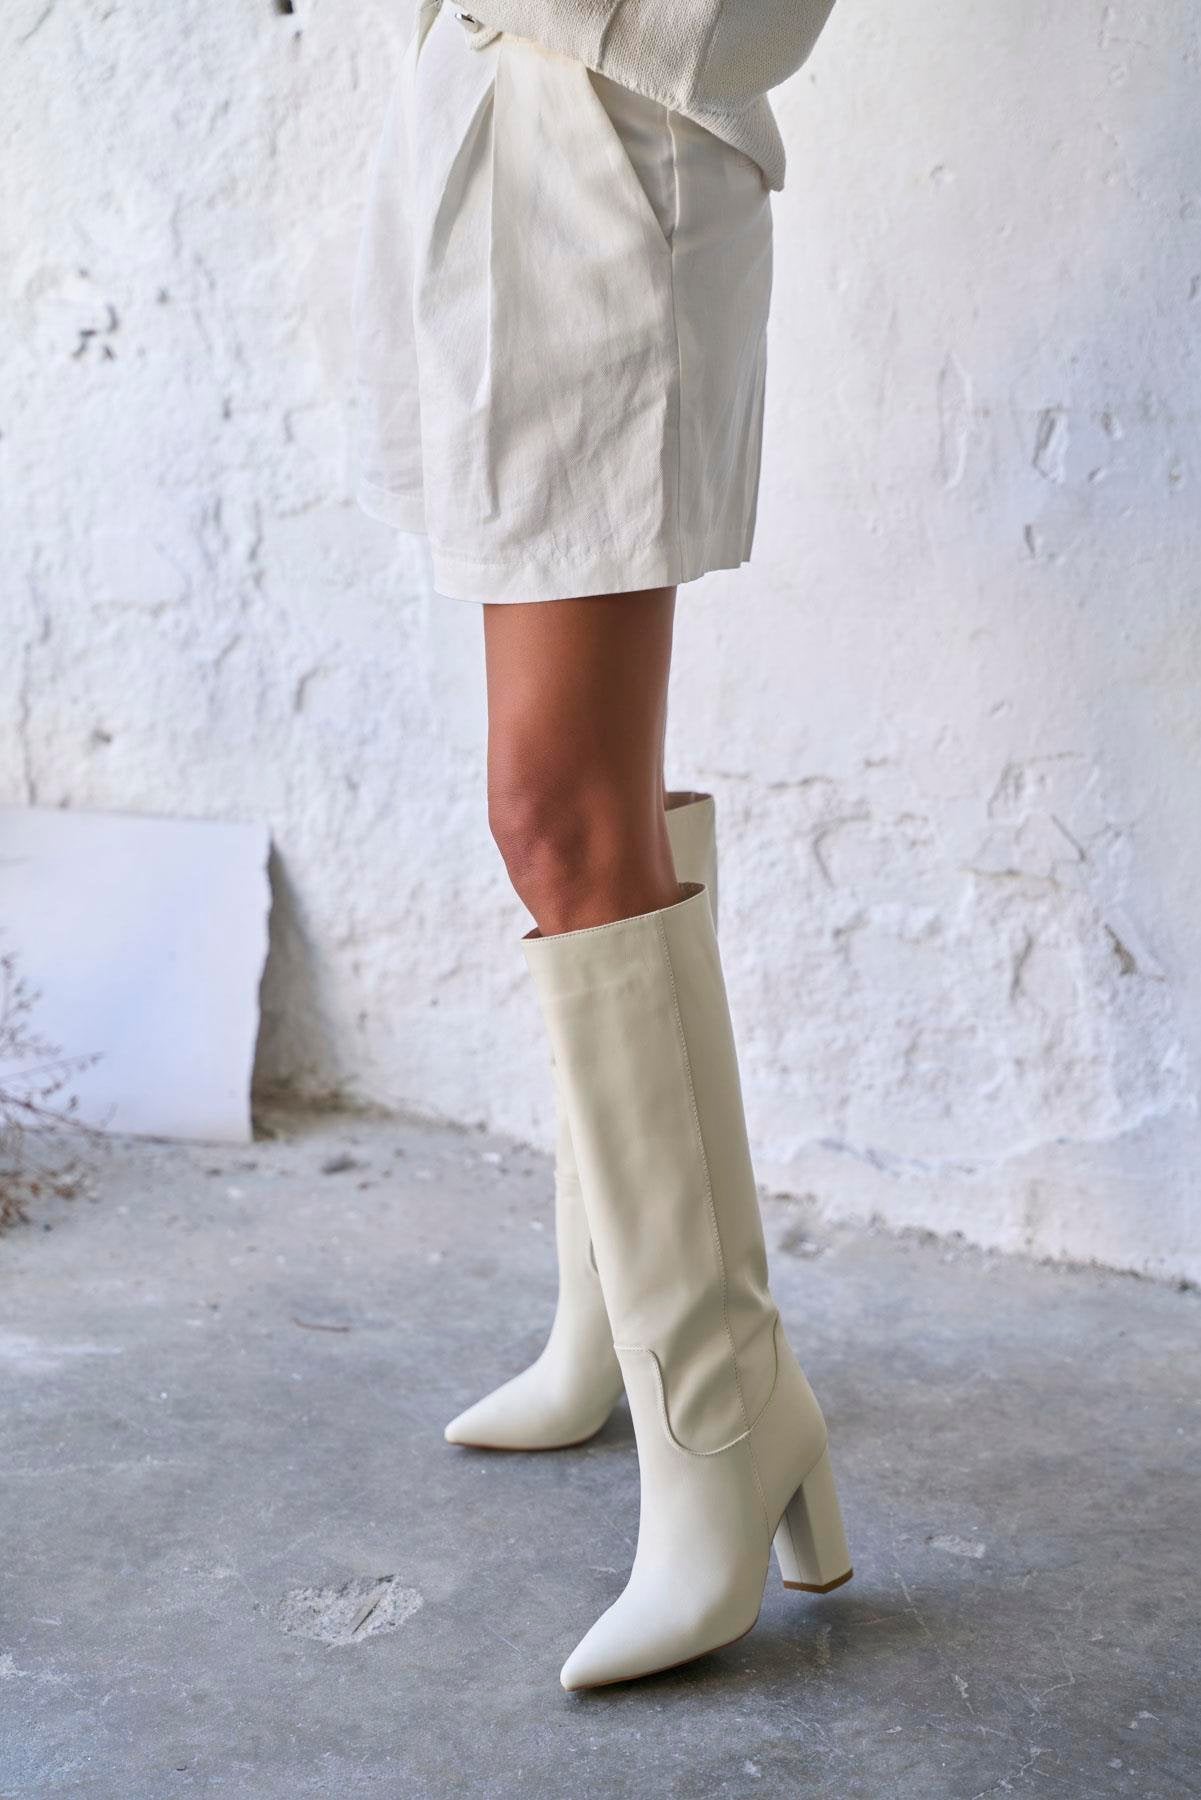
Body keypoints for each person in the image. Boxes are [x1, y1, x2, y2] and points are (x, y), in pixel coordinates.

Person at [351, 0, 852, 1691]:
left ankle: (721, 1411)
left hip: (603, 164)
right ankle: (616, 1322)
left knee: (555, 814)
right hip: (496, 148)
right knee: (597, 807)